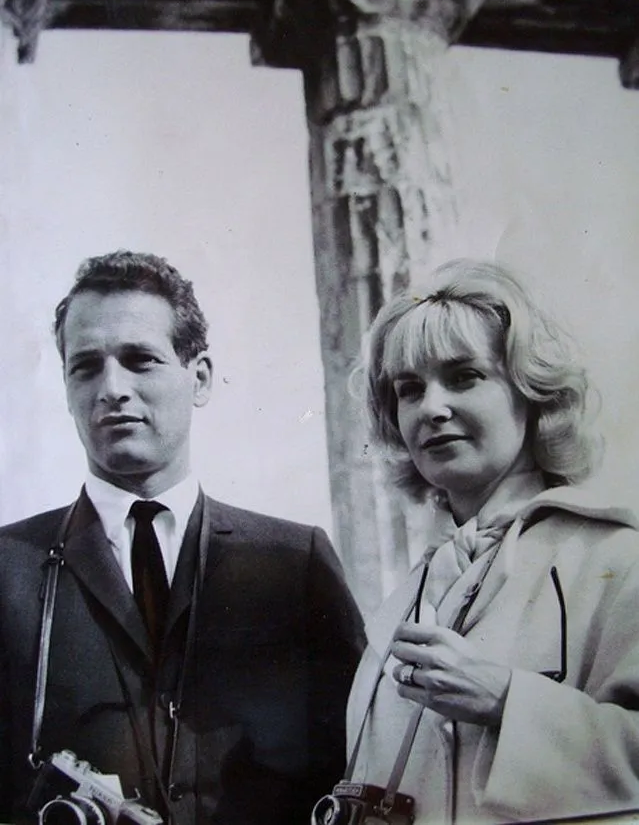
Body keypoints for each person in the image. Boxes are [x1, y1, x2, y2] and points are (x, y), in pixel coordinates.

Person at [0, 250, 364, 825]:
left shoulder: (295, 565)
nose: (111, 388)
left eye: (140, 360)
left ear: (199, 378)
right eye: (86, 366)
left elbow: (356, 768)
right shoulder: (8, 571)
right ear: (66, 389)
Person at [345, 258, 639, 824]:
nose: (432, 407)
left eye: (464, 377)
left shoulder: (615, 559)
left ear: (531, 392)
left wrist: (507, 700)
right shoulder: (408, 594)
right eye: (410, 389)